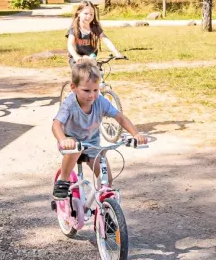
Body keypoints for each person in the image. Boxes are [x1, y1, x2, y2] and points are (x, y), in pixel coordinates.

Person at [52, 58, 148, 198]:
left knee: (106, 181)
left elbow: (120, 117)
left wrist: (135, 134)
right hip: (71, 143)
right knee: (75, 151)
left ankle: (104, 209)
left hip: (92, 143)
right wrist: (62, 139)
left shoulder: (100, 101)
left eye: (95, 90)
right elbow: (56, 124)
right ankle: (63, 180)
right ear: (73, 87)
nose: (91, 95)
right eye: (86, 90)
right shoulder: (70, 104)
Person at [66, 0, 122, 66]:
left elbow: (105, 40)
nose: (89, 16)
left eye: (91, 14)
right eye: (86, 13)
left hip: (91, 58)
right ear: (78, 14)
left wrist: (116, 52)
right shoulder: (74, 28)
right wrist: (76, 56)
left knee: (97, 74)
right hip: (77, 59)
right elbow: (70, 44)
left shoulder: (95, 27)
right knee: (83, 74)